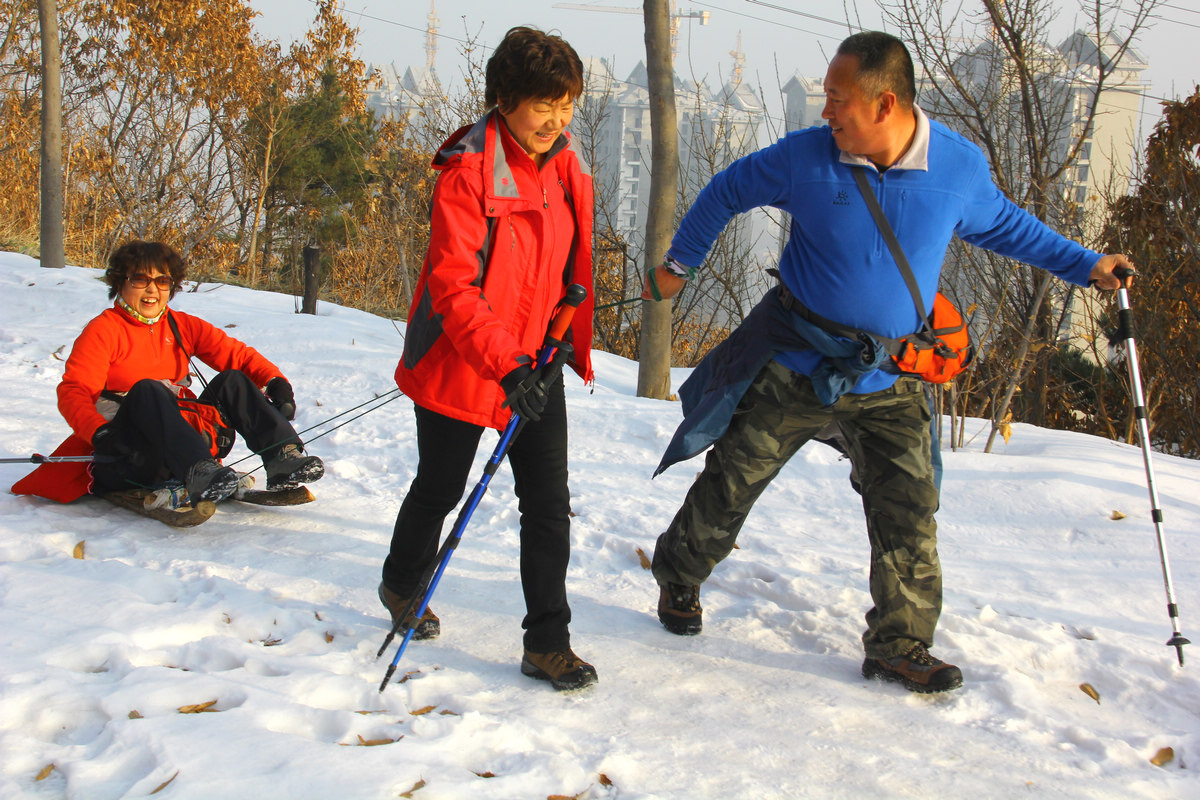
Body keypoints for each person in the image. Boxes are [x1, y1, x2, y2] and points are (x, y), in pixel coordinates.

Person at [643, 31, 1134, 694]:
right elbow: (728, 189)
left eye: (838, 99)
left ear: (885, 104)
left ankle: (899, 644)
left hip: (889, 374)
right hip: (797, 359)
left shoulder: (956, 170)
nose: (826, 112)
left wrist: (1087, 265)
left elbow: (1011, 228)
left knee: (910, 502)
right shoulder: (805, 158)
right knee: (733, 481)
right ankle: (679, 574)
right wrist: (680, 264)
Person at [378, 27, 597, 691]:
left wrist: (565, 324)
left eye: (567, 106)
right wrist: (506, 364)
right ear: (504, 99)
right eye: (543, 106)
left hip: (536, 365)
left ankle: (547, 643)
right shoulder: (469, 172)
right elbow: (452, 287)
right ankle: (401, 581)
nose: (557, 120)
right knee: (441, 487)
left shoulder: (565, 165)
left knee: (547, 503)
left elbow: (568, 267)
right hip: (464, 360)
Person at [12, 240, 323, 506]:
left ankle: (283, 457)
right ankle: (197, 472)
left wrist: (275, 382)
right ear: (121, 282)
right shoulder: (104, 330)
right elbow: (74, 391)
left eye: (162, 281)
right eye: (140, 279)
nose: (152, 290)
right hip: (133, 452)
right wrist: (99, 433)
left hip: (182, 437)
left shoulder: (181, 325)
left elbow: (235, 355)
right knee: (148, 389)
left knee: (234, 381)